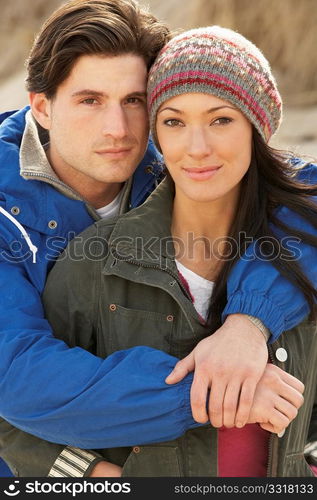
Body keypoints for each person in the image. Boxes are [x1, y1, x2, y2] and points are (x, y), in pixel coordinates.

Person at [0, 0, 316, 477]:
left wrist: (248, 323)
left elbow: (298, 195)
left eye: (133, 101)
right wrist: (211, 390)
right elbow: (16, 375)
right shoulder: (7, 213)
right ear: (42, 107)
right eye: (90, 100)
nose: (118, 129)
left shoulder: (174, 153)